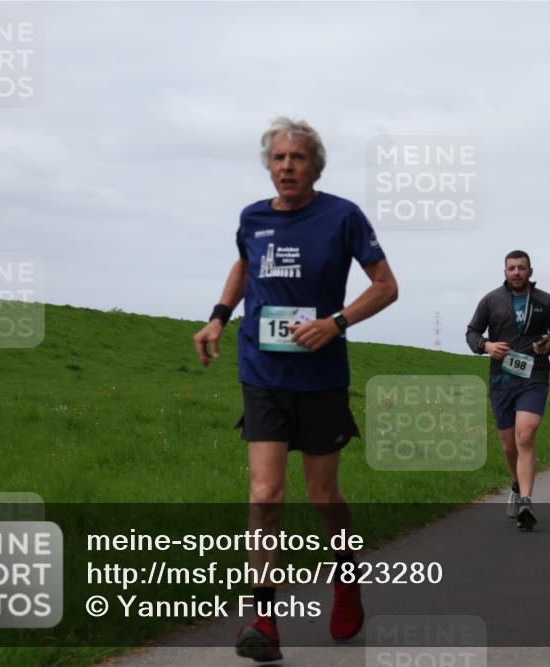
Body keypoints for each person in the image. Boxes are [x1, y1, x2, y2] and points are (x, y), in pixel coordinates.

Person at [193, 117, 398, 662]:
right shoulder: (252, 218)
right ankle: (263, 619)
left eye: (298, 158)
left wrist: (336, 322)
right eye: (279, 158)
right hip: (261, 372)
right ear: (269, 165)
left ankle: (346, 576)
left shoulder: (342, 216)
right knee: (265, 494)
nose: (287, 166)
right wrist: (217, 317)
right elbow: (244, 266)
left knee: (323, 495)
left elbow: (386, 287)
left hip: (321, 377)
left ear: (316, 166)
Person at [466, 250, 550, 530]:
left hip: (534, 375)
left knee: (526, 434)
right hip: (502, 379)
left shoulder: (545, 301)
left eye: (522, 268)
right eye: (512, 268)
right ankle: (516, 484)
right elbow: (472, 332)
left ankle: (526, 500)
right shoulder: (491, 301)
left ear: (530, 271)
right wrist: (486, 346)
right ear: (505, 272)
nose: (517, 273)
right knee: (509, 445)